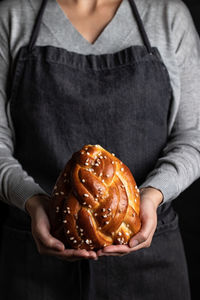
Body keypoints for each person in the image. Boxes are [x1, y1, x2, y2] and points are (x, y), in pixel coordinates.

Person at [0, 0, 199, 299]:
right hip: (36, 266)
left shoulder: (167, 16)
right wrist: (33, 203)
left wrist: (152, 195)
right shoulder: (13, 16)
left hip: (151, 270)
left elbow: (192, 138)